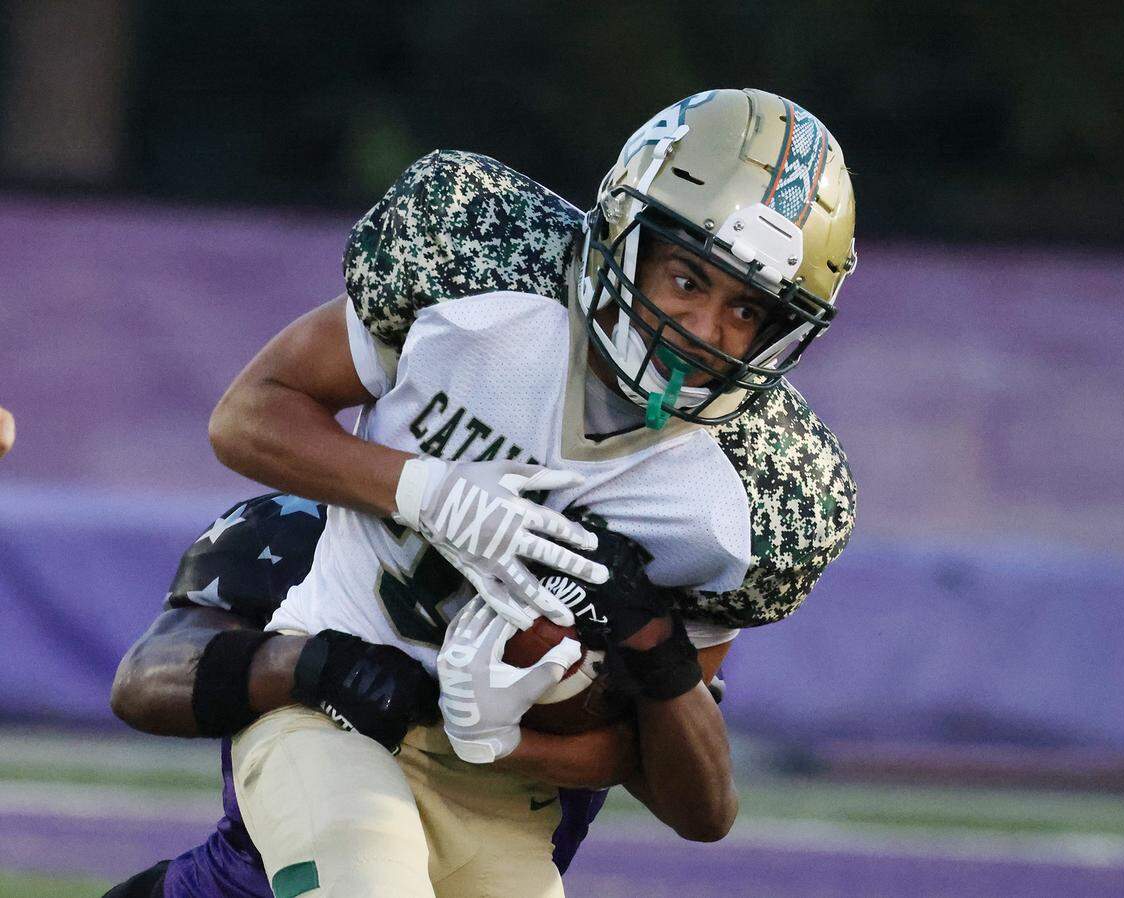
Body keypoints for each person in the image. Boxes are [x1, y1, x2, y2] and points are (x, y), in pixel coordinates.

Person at [128, 87, 857, 897]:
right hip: (327, 721)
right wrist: (430, 492)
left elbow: (684, 793)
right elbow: (246, 418)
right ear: (626, 232)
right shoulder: (482, 277)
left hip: (506, 798)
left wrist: (608, 669)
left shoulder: (751, 498)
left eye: (747, 308)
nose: (704, 330)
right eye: (688, 278)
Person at [104, 493, 640, 898]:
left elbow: (702, 808)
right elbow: (144, 680)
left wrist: (663, 664)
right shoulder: (313, 525)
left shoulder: (631, 567)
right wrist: (318, 664)